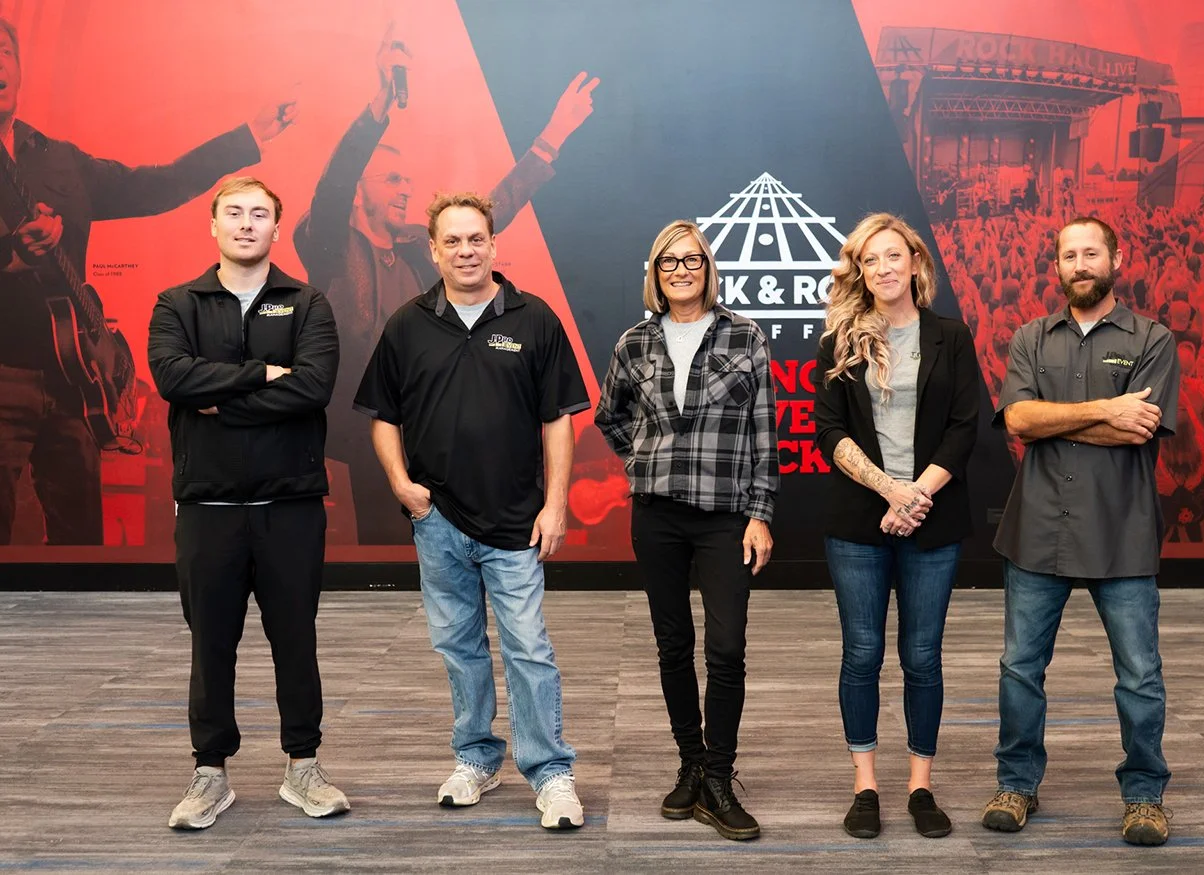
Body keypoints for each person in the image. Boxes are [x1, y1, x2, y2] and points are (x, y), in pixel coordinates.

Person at [0, 17, 297, 545]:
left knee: (79, 543)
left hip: (75, 381)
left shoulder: (59, 159)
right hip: (4, 373)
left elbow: (156, 186)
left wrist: (247, 137)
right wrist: (10, 255)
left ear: (19, 69)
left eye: (3, 50)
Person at [296, 26, 598, 544]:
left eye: (407, 181)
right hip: (356, 443)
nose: (405, 188)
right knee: (385, 570)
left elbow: (487, 213)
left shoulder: (420, 244)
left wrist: (549, 142)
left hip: (431, 441)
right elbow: (334, 183)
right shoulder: (328, 242)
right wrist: (378, 105)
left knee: (448, 568)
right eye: (391, 180)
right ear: (359, 195)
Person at [354, 192, 588, 830]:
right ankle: (476, 758)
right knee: (459, 647)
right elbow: (383, 417)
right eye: (452, 241)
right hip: (438, 522)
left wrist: (556, 505)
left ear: (493, 244)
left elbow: (559, 420)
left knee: (529, 649)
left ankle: (551, 772)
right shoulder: (407, 324)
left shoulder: (534, 318)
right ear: (433, 249)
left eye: (475, 239)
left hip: (515, 520)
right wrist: (402, 484)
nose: (465, 250)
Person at [147, 177, 347, 830]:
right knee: (212, 642)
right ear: (212, 224)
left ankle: (303, 768)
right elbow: (173, 377)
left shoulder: (308, 302)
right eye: (233, 213)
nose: (245, 223)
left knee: (297, 636)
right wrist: (261, 374)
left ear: (276, 229)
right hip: (207, 506)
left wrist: (218, 402)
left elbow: (314, 388)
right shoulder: (177, 302)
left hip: (290, 504)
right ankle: (209, 774)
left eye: (259, 214)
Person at [984, 216, 1180, 846]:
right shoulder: (1031, 337)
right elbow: (1018, 419)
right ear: (1059, 266)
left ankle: (1145, 796)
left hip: (1122, 533)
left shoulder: (1152, 338)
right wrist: (1105, 407)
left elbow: (1140, 428)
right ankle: (1016, 784)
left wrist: (1055, 419)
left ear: (1115, 261)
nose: (1079, 264)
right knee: (1020, 668)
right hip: (1037, 530)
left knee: (1139, 674)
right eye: (1068, 255)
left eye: (1090, 253)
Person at [594, 220, 778, 841]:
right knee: (672, 645)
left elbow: (764, 435)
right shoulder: (634, 343)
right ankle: (691, 766)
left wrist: (761, 514)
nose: (680, 271)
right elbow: (609, 416)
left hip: (727, 517)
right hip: (658, 517)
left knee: (726, 650)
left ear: (707, 267)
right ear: (655, 272)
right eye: (668, 262)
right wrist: (642, 458)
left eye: (691, 260)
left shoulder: (745, 336)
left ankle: (721, 776)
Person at [813, 213, 978, 839]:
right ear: (860, 271)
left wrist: (915, 496)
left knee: (922, 656)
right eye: (870, 260)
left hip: (932, 520)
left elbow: (966, 427)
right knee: (862, 653)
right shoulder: (840, 340)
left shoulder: (951, 337)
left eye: (893, 256)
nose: (883, 268)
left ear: (915, 263)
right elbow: (830, 431)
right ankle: (866, 785)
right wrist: (888, 490)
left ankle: (920, 785)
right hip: (859, 520)